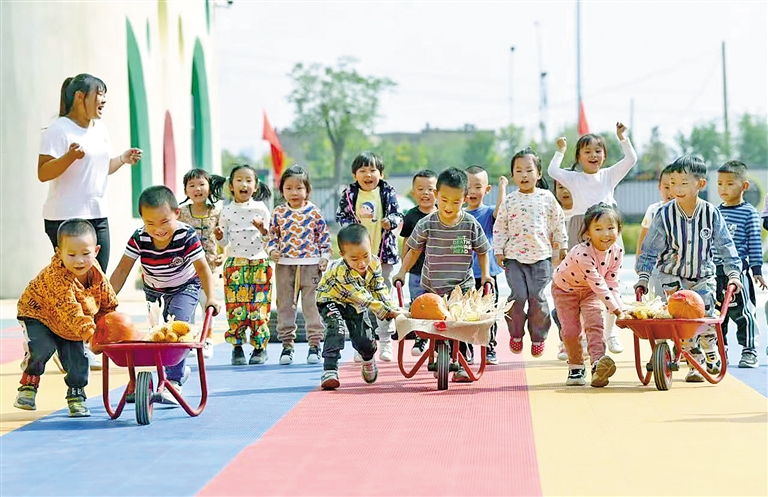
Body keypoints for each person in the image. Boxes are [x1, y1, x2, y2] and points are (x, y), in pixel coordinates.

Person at [38, 73, 141, 370]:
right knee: (69, 287)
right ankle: (66, 346)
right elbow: (43, 172)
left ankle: (77, 344)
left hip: (97, 215)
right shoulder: (58, 129)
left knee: (95, 286)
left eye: (105, 94)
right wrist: (69, 158)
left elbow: (98, 169)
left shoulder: (101, 130)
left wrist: (122, 159)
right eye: (99, 93)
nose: (104, 100)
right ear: (80, 96)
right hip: (65, 217)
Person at [635, 155, 742, 383]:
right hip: (672, 276)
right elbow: (650, 248)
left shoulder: (711, 213)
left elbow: (726, 245)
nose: (677, 189)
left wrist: (733, 273)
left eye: (684, 183)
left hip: (703, 275)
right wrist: (643, 276)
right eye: (672, 183)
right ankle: (695, 363)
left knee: (705, 316)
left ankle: (710, 348)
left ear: (700, 184)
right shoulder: (664, 215)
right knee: (683, 321)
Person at [110, 186, 220, 403]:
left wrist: (211, 297)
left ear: (176, 213)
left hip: (185, 286)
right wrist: (108, 298)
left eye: (164, 222)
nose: (158, 229)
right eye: (150, 223)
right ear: (142, 219)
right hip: (154, 289)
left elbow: (202, 268)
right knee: (158, 335)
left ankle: (174, 381)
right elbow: (122, 270)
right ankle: (172, 372)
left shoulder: (186, 235)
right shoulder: (140, 237)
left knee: (177, 329)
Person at [393, 167, 494, 382]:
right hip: (433, 287)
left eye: (456, 202)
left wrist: (485, 275)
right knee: (437, 327)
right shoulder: (427, 223)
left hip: (461, 287)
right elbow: (414, 250)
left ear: (465, 199)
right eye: (444, 200)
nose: (449, 206)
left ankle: (463, 361)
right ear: (437, 195)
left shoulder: (470, 224)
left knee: (462, 326)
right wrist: (402, 271)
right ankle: (440, 353)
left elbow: (483, 251)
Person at [548, 122, 637, 354]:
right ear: (579, 157)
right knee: (582, 286)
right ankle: (577, 339)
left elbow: (631, 160)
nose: (593, 155)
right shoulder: (574, 178)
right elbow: (553, 172)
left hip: (608, 228)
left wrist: (622, 138)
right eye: (587, 151)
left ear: (604, 155)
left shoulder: (609, 175)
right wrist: (560, 150)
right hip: (582, 228)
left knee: (610, 282)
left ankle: (610, 333)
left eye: (598, 151)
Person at [14, 219, 118, 416]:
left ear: (96, 251)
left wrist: (109, 327)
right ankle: (29, 382)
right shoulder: (56, 276)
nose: (79, 260)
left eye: (85, 254)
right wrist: (90, 334)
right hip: (39, 313)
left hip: (69, 324)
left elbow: (108, 303)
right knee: (42, 347)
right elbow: (69, 309)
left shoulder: (97, 275)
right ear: (58, 252)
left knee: (78, 360)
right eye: (71, 255)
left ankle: (76, 395)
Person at [494, 149, 567, 358]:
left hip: (542, 258)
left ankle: (538, 337)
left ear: (539, 173)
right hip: (514, 259)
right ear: (512, 176)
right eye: (518, 171)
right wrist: (498, 251)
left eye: (529, 170)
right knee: (518, 297)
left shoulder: (547, 198)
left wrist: (561, 246)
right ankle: (516, 333)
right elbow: (500, 227)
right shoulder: (510, 200)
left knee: (537, 298)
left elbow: (558, 223)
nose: (524, 175)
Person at [317, 225, 403, 390]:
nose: (362, 263)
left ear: (370, 246)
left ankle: (368, 358)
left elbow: (378, 288)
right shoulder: (341, 270)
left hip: (354, 303)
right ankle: (330, 370)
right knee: (336, 328)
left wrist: (392, 307)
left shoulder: (375, 263)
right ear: (343, 254)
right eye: (354, 259)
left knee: (363, 337)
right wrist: (386, 312)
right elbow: (361, 296)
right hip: (330, 299)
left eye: (365, 256)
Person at [336, 152, 403, 363]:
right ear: (354, 175)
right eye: (362, 170)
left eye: (373, 170)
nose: (368, 175)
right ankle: (362, 344)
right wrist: (351, 228)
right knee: (358, 301)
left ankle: (385, 341)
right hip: (357, 260)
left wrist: (390, 221)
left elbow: (398, 214)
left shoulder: (387, 192)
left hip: (382, 257)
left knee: (383, 298)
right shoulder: (349, 194)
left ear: (381, 174)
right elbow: (341, 216)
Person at [552, 203, 624, 387]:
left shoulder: (617, 252)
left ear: (619, 229)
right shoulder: (583, 252)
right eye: (598, 229)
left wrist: (622, 310)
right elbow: (599, 284)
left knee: (595, 324)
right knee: (571, 331)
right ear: (587, 233)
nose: (605, 234)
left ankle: (598, 364)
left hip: (590, 292)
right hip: (565, 290)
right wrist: (617, 311)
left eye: (611, 228)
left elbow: (612, 283)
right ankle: (576, 366)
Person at [268, 165, 332, 366]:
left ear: (307, 190)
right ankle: (287, 345)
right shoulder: (278, 212)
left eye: (299, 188)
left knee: (312, 306)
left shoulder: (314, 212)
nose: (294, 192)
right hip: (285, 266)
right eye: (288, 188)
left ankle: (314, 345)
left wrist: (325, 257)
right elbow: (272, 237)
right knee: (285, 306)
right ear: (282, 190)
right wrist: (272, 251)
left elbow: (324, 238)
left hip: (311, 265)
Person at [213, 165, 273, 366]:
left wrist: (262, 229)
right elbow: (223, 242)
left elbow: (269, 238)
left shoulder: (261, 208)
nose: (244, 184)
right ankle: (237, 348)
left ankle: (259, 348)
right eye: (239, 180)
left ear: (255, 186)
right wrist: (219, 236)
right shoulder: (227, 211)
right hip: (235, 264)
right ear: (231, 186)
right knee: (236, 308)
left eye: (249, 180)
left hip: (259, 263)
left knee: (258, 308)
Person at [714, 160, 766, 368]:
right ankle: (720, 351)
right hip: (714, 273)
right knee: (717, 314)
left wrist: (756, 269)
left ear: (744, 186)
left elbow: (754, 241)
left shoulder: (749, 212)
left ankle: (749, 350)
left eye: (729, 184)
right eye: (720, 184)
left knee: (743, 313)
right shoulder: (715, 212)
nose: (723, 189)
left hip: (737, 273)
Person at [178, 168, 226, 359]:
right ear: (186, 190)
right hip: (186, 270)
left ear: (209, 188)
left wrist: (223, 254)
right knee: (188, 305)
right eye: (192, 185)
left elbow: (224, 240)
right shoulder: (180, 213)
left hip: (210, 269)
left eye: (201, 184)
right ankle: (189, 339)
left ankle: (207, 339)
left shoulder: (217, 212)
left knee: (207, 303)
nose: (197, 189)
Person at [465, 165, 506, 365]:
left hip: (486, 274)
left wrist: (503, 187)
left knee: (488, 312)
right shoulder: (458, 214)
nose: (472, 191)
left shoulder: (489, 212)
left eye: (477, 186)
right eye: (468, 186)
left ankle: (490, 348)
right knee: (465, 314)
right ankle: (467, 351)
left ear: (487, 190)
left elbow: (501, 212)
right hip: (464, 275)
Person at [398, 169, 437, 357]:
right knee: (418, 304)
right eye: (420, 189)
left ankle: (437, 341)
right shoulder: (411, 216)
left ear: (438, 192)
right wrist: (403, 268)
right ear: (414, 193)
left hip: (438, 272)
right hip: (416, 271)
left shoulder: (442, 214)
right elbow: (406, 242)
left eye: (430, 189)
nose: (425, 193)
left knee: (437, 305)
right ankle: (421, 338)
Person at [636, 165, 673, 298]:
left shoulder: (683, 210)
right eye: (666, 187)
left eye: (674, 186)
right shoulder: (653, 210)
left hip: (675, 266)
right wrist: (638, 260)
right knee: (657, 299)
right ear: (659, 187)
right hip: (655, 265)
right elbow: (643, 236)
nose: (670, 192)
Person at [552, 176, 577, 361]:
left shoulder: (583, 213)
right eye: (560, 187)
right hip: (560, 272)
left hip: (582, 272)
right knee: (560, 311)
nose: (565, 191)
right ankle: (565, 342)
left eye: (569, 186)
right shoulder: (553, 214)